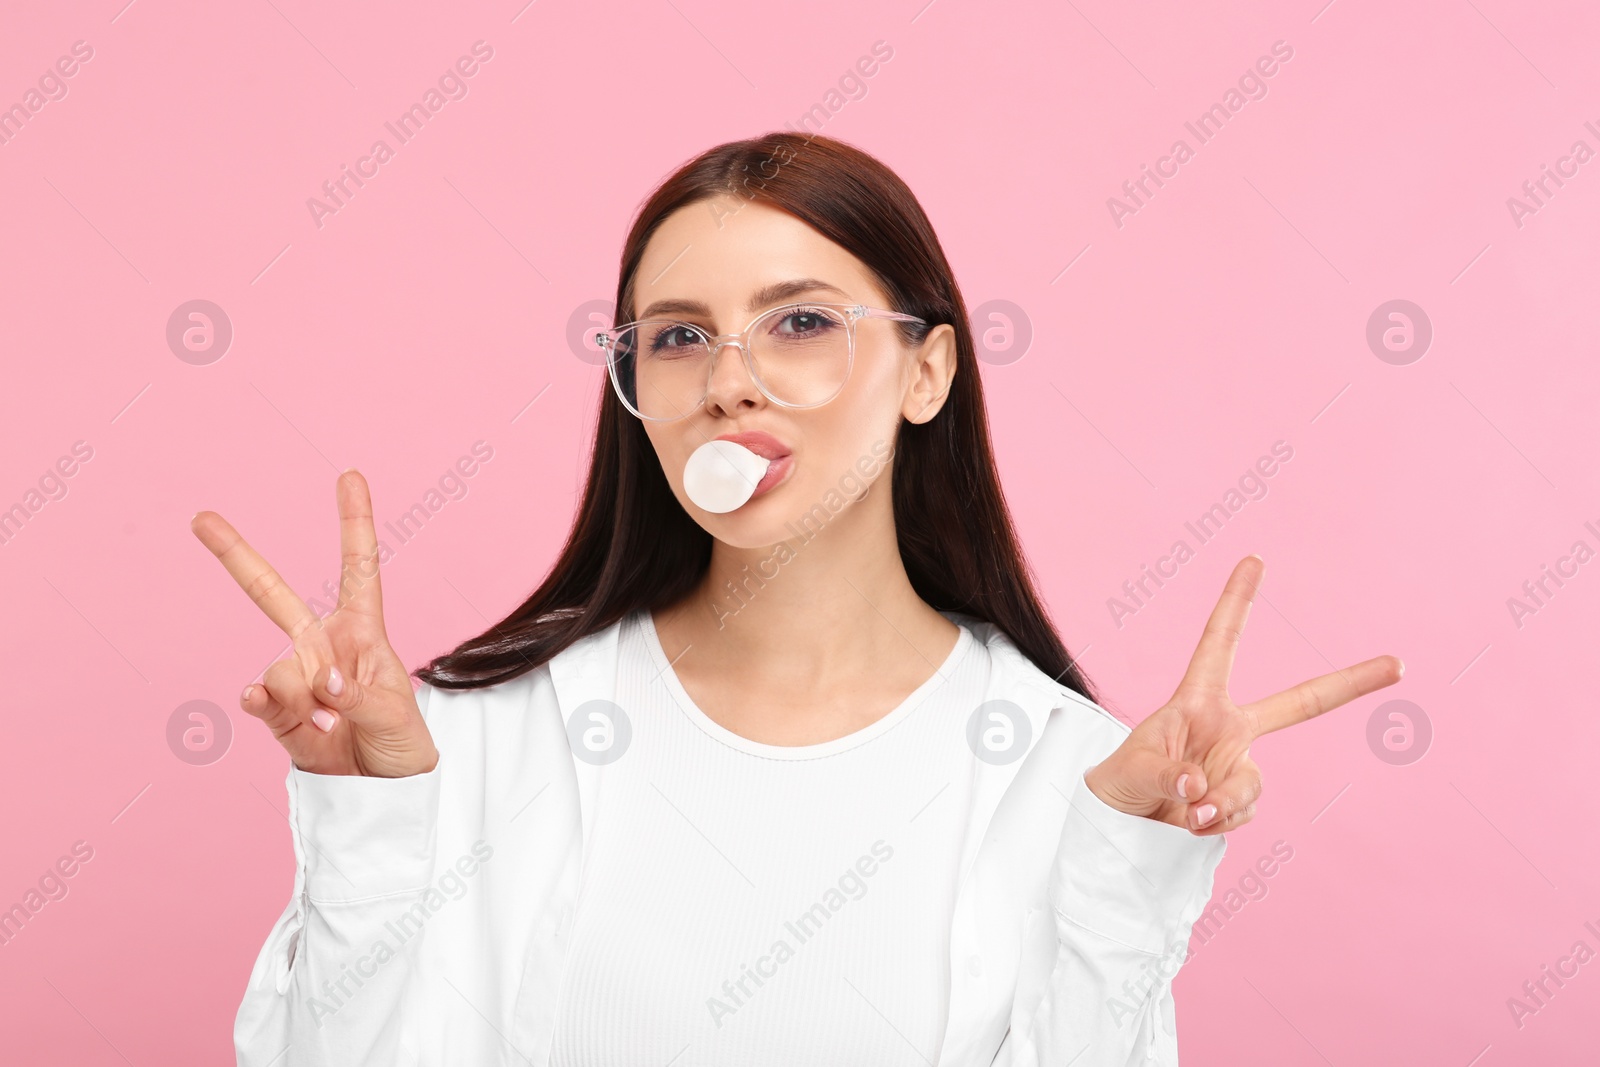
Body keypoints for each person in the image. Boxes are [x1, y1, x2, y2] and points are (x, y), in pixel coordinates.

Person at [195, 132, 1403, 1066]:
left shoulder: (1071, 776)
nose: (731, 382)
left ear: (926, 370)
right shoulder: (460, 739)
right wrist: (363, 816)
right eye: (677, 339)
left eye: (802, 323)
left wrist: (1130, 870)